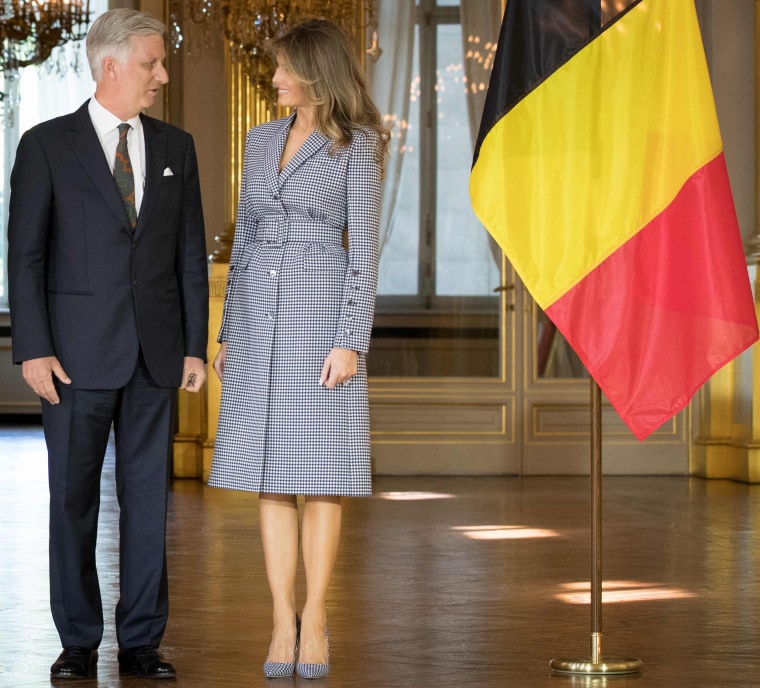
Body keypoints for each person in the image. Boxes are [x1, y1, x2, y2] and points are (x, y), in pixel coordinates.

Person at [7, 8, 208, 681]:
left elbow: (187, 256)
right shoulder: (44, 145)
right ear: (112, 64)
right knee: (73, 501)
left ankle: (143, 643)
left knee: (151, 503)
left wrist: (193, 347)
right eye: (152, 62)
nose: (163, 74)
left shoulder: (177, 147)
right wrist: (31, 349)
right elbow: (25, 256)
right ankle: (78, 641)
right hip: (70, 360)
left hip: (156, 356)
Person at [207, 17, 388, 680]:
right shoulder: (259, 140)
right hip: (257, 317)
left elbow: (364, 254)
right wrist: (229, 331)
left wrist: (350, 341)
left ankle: (317, 616)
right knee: (267, 478)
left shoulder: (359, 144)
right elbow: (247, 237)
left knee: (320, 479)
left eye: (284, 68)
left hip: (320, 321)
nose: (274, 77)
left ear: (315, 72)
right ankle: (281, 617)